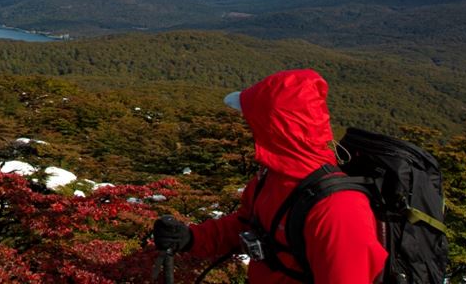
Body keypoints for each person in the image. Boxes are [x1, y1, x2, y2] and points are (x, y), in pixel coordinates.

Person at [152, 69, 386, 283]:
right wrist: (192, 238)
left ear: (274, 129)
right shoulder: (272, 178)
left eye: (253, 122)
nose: (247, 127)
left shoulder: (338, 209)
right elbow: (246, 225)